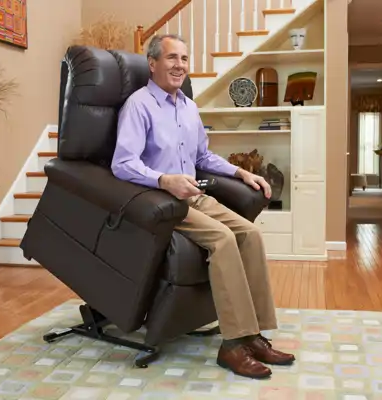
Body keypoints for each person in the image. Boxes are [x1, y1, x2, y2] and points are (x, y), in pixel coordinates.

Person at [111, 33, 295, 379]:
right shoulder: (138, 105)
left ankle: (253, 335)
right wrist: (164, 180)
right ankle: (232, 345)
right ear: (152, 63)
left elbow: (202, 157)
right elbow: (122, 164)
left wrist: (242, 172)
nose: (179, 65)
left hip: (195, 195)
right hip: (162, 201)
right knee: (223, 239)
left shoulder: (188, 106)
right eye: (171, 58)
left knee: (250, 234)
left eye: (184, 58)